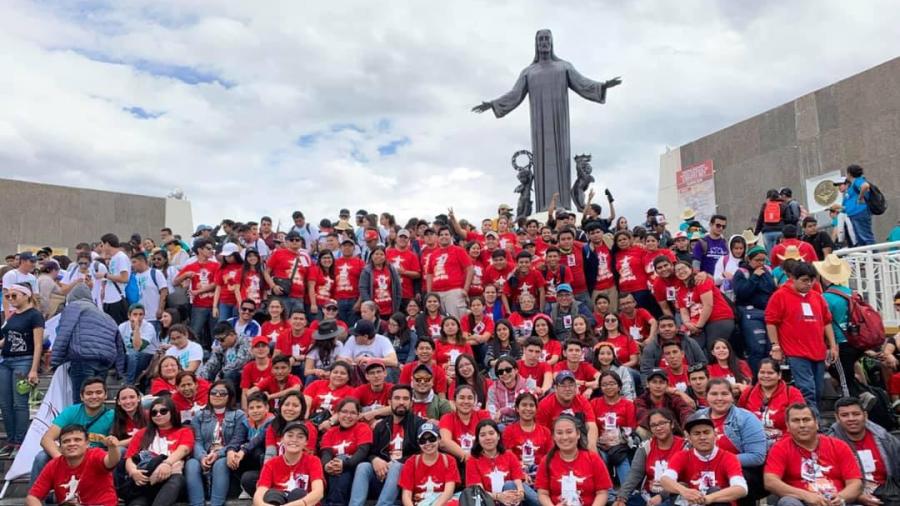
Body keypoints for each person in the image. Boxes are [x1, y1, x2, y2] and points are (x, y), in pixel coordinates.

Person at [765, 262, 838, 415]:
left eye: (812, 280)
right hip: (796, 352)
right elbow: (771, 322)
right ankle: (814, 423)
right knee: (807, 390)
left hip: (818, 351)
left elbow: (826, 322)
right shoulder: (779, 296)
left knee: (818, 390)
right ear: (792, 278)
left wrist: (833, 345)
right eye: (804, 280)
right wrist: (775, 346)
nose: (809, 284)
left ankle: (813, 420)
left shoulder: (817, 297)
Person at [764, 403, 863, 506]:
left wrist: (841, 497)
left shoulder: (838, 445)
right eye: (796, 421)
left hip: (836, 502)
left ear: (816, 423)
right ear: (788, 426)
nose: (802, 425)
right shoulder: (780, 447)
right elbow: (770, 481)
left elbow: (855, 483)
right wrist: (806, 495)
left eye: (806, 420)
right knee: (788, 502)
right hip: (801, 502)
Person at [350, 385, 426, 506]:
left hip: (408, 477)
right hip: (383, 475)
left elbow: (424, 452)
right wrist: (374, 460)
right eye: (397, 398)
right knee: (363, 467)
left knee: (396, 466)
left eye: (405, 399)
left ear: (411, 403)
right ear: (390, 402)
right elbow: (371, 452)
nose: (401, 402)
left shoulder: (419, 424)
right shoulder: (381, 426)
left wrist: (397, 462)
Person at [697, 378, 767, 505]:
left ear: (732, 396)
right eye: (714, 394)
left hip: (740, 473)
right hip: (703, 470)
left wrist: (721, 461)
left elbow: (757, 456)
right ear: (706, 396)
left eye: (724, 394)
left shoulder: (746, 418)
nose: (719, 398)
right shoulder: (697, 417)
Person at [51, 283, 125, 403]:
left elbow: (63, 332)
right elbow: (119, 344)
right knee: (97, 401)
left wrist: (55, 360)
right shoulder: (106, 316)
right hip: (104, 362)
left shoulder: (74, 307)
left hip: (82, 359)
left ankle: (80, 422)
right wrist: (120, 370)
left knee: (82, 401)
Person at [31, 377, 114, 484]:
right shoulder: (71, 411)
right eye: (89, 393)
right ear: (82, 396)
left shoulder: (112, 415)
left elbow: (115, 445)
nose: (94, 396)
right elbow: (46, 439)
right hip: (69, 453)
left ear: (105, 395)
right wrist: (62, 460)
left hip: (95, 456)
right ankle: (36, 497)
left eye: (98, 392)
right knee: (41, 457)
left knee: (119, 452)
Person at [660, 412, 749, 505]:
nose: (702, 437)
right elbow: (665, 479)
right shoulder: (681, 456)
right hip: (690, 503)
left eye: (706, 432)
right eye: (696, 433)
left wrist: (708, 498)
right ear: (689, 438)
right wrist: (683, 491)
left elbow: (741, 488)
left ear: (715, 435)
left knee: (714, 491)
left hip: (716, 503)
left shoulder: (729, 457)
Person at [185, 380, 249, 506]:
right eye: (214, 392)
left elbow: (237, 441)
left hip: (227, 456)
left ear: (230, 396)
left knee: (220, 463)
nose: (217, 395)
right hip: (205, 454)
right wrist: (202, 456)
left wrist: (218, 454)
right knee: (191, 463)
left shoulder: (239, 415)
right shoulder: (199, 416)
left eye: (222, 393)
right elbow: (197, 441)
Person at [122, 396, 194, 506]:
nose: (158, 415)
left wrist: (167, 463)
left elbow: (183, 449)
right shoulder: (142, 433)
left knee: (176, 480)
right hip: (145, 483)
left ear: (173, 412)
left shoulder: (184, 431)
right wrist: (133, 472)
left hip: (171, 479)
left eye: (163, 411)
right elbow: (129, 458)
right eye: (154, 413)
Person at [829, 397, 900, 506]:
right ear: (837, 418)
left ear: (865, 415)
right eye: (845, 415)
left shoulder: (884, 438)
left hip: (887, 490)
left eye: (856, 414)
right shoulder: (829, 443)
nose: (851, 418)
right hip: (848, 494)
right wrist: (857, 496)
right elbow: (828, 479)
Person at [26, 424, 120, 506]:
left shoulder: (95, 454)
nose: (72, 444)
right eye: (66, 441)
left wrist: (112, 447)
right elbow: (32, 497)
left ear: (87, 443)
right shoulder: (53, 465)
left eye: (77, 440)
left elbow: (112, 461)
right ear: (60, 447)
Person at [0, 282, 44, 453]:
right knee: (5, 403)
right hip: (6, 360)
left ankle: (20, 440)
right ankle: (11, 440)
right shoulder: (12, 315)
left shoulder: (34, 315)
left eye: (14, 295)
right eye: (8, 296)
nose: (11, 299)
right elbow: (8, 339)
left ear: (26, 295)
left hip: (23, 360)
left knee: (20, 403)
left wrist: (34, 369)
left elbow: (38, 344)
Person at [816, 254, 865, 400]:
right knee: (848, 374)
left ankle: (852, 401)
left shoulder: (825, 297)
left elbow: (824, 323)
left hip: (839, 342)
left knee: (843, 378)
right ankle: (863, 394)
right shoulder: (852, 293)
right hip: (856, 340)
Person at [614, 408, 687, 506]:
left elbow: (686, 481)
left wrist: (662, 496)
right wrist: (621, 498)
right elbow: (635, 474)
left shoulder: (685, 447)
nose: (658, 428)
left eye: (662, 423)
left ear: (672, 424)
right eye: (654, 425)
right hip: (648, 495)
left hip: (675, 495)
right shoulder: (646, 446)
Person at [535, 415, 612, 506]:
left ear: (578, 434)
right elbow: (543, 493)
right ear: (554, 437)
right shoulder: (547, 460)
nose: (565, 437)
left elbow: (602, 492)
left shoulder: (593, 459)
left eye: (569, 432)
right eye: (559, 433)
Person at [254, 420, 325, 506]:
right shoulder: (271, 463)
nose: (294, 440)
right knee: (272, 494)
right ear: (282, 439)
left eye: (300, 437)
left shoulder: (313, 461)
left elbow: (318, 492)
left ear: (306, 442)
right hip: (278, 502)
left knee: (298, 493)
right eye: (290, 436)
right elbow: (260, 492)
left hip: (303, 503)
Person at [319, 398, 373, 506]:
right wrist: (326, 465)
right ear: (337, 414)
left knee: (341, 460)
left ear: (358, 416)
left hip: (355, 471)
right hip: (333, 472)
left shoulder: (363, 428)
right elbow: (326, 454)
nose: (348, 416)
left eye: (353, 413)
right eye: (344, 412)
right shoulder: (330, 432)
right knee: (333, 463)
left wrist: (344, 464)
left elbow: (362, 452)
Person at [466, 419, 532, 506]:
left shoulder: (509, 455)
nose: (488, 438)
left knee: (509, 485)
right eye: (483, 435)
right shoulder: (473, 460)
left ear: (498, 436)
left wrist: (520, 493)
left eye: (491, 433)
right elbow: (478, 491)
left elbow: (518, 481)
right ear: (478, 439)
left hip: (513, 500)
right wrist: (499, 497)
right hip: (488, 501)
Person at [673, 259, 735, 350]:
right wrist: (687, 323)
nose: (681, 271)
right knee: (694, 348)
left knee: (713, 349)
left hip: (719, 318)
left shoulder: (701, 280)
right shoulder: (680, 290)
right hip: (699, 323)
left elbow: (708, 305)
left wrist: (698, 326)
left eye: (683, 268)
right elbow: (683, 310)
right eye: (677, 270)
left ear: (691, 269)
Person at [732, 245, 776, 373]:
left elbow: (771, 290)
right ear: (749, 260)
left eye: (763, 260)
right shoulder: (741, 272)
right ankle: (755, 379)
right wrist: (754, 278)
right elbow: (741, 293)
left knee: (769, 349)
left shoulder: (767, 271)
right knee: (757, 348)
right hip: (750, 313)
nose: (761, 263)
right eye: (757, 260)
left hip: (768, 312)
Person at [591, 371, 637, 485]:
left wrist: (618, 439)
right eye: (605, 384)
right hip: (600, 444)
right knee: (599, 458)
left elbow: (631, 428)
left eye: (612, 383)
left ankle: (626, 493)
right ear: (601, 388)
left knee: (621, 458)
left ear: (619, 386)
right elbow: (591, 427)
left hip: (620, 444)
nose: (608, 387)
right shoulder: (594, 403)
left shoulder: (628, 404)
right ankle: (608, 493)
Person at [398, 421, 459, 506]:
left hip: (441, 503)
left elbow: (448, 492)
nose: (427, 443)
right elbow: (406, 495)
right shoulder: (411, 462)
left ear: (439, 439)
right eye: (423, 440)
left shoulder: (449, 460)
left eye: (432, 439)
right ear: (418, 443)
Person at [536, 371, 599, 450]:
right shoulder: (545, 404)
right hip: (554, 442)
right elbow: (541, 432)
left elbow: (591, 426)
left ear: (576, 387)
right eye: (563, 385)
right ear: (555, 388)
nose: (567, 389)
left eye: (571, 385)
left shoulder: (582, 401)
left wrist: (592, 447)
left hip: (578, 441)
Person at [424, 226, 474, 318]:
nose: (444, 237)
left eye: (446, 234)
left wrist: (465, 289)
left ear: (451, 236)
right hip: (437, 293)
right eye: (441, 235)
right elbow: (430, 274)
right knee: (441, 323)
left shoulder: (459, 250)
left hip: (453, 291)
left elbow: (470, 269)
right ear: (437, 238)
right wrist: (429, 293)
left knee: (457, 321)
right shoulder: (433, 255)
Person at [639, 316, 706, 380]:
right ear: (658, 330)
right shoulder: (650, 348)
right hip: (663, 385)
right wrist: (647, 388)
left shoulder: (690, 342)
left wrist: (690, 370)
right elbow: (645, 372)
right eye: (663, 326)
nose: (667, 329)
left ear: (677, 328)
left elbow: (703, 363)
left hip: (690, 381)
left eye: (670, 326)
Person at [439, 384, 491, 462]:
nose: (466, 401)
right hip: (458, 461)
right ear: (454, 401)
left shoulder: (483, 415)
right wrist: (466, 456)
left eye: (470, 398)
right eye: (462, 398)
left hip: (481, 458)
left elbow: (489, 438)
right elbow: (445, 442)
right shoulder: (447, 418)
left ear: (474, 401)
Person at [199, 321, 252, 386]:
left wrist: (221, 373)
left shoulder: (245, 341)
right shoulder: (221, 347)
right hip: (225, 373)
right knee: (207, 374)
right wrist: (201, 376)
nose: (219, 342)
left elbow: (240, 362)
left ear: (232, 334)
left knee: (229, 374)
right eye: (217, 340)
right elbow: (212, 363)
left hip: (242, 374)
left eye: (221, 339)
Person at [120, 303, 160, 385]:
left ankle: (129, 384)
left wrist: (136, 328)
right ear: (129, 316)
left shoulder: (148, 327)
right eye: (135, 314)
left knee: (133, 354)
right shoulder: (122, 326)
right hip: (129, 357)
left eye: (141, 314)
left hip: (147, 356)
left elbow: (138, 347)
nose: (138, 317)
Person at [98, 233, 132, 324]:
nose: (101, 247)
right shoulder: (114, 258)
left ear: (107, 244)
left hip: (117, 299)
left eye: (102, 244)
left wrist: (105, 275)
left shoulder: (121, 257)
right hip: (109, 299)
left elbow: (124, 278)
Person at [487, 357, 530, 424]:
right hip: (501, 424)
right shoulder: (493, 389)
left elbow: (528, 409)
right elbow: (492, 411)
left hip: (523, 422)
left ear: (516, 370)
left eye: (508, 370)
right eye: (500, 372)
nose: (504, 373)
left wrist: (503, 411)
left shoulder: (528, 384)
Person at [843, 164, 874, 246]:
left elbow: (865, 186)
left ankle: (874, 257)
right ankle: (869, 257)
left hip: (860, 212)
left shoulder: (857, 181)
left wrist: (860, 197)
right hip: (854, 214)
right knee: (860, 239)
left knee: (866, 237)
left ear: (849, 174)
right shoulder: (853, 184)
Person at [212, 242, 243, 322]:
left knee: (236, 324)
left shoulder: (243, 267)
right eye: (225, 256)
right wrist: (215, 306)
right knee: (223, 324)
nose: (227, 258)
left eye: (230, 256)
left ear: (236, 255)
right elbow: (218, 288)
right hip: (224, 301)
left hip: (238, 301)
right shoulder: (222, 268)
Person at [2, 251, 37, 317]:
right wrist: (7, 315)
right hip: (12, 311)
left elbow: (34, 296)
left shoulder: (33, 277)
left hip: (27, 312)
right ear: (23, 261)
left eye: (35, 262)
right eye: (32, 262)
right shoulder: (11, 275)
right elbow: (5, 295)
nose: (34, 264)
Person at [714, 235, 746, 300]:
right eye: (736, 248)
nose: (739, 251)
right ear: (731, 248)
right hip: (726, 297)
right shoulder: (723, 260)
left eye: (741, 248)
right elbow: (716, 281)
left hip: (742, 298)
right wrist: (723, 275)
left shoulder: (747, 260)